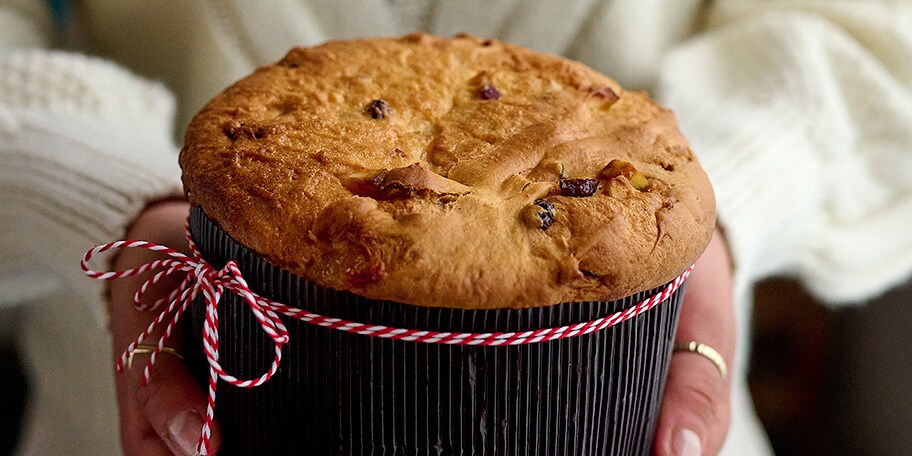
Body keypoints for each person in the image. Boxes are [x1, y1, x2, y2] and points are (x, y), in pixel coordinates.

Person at [1, 1, 910, 455]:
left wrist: (719, 192)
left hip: (637, 381)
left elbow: (874, 35)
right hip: (157, 390)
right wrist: (108, 190)